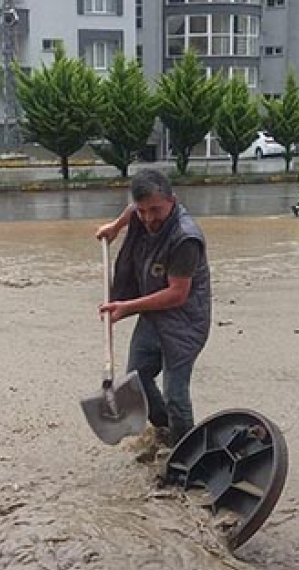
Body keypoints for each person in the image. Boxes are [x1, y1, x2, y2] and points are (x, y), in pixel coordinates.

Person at [95, 169, 212, 448]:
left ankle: (187, 449)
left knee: (175, 393)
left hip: (185, 321)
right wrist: (116, 226)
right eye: (143, 211)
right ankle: (166, 431)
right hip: (153, 317)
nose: (148, 219)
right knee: (136, 380)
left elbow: (177, 294)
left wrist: (127, 307)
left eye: (155, 210)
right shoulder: (141, 213)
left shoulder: (185, 238)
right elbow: (133, 210)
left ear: (172, 200)